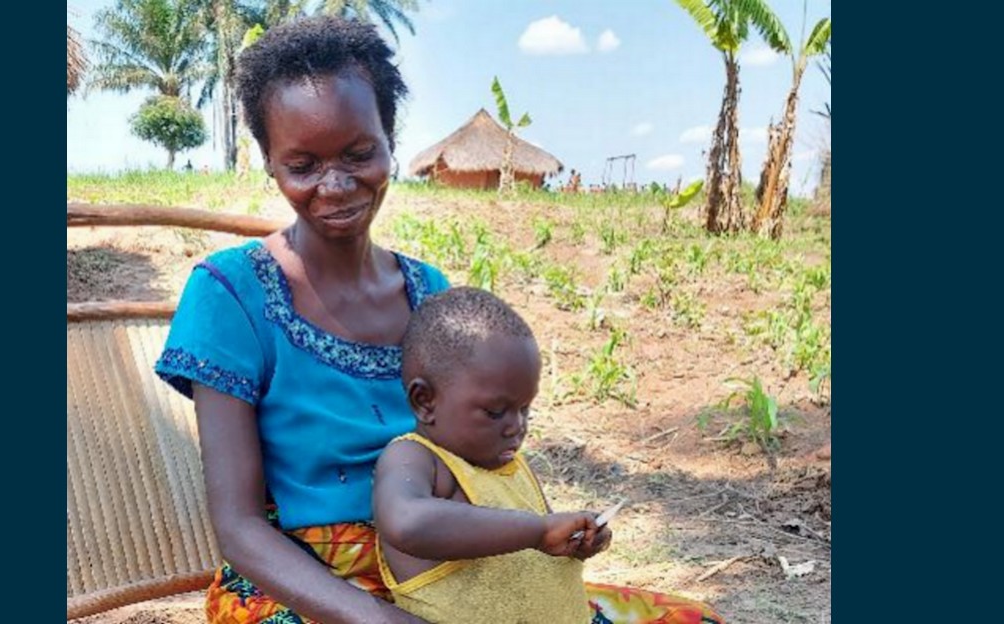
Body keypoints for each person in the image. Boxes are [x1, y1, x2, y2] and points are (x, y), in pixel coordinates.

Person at [155, 16, 449, 624]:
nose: (335, 185)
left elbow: (474, 458)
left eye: (358, 153)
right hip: (293, 586)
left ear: (390, 141)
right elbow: (237, 526)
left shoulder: (431, 296)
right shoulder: (230, 294)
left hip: (435, 563)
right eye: (303, 165)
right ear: (270, 162)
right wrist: (378, 619)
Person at [374, 287, 724, 623]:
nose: (516, 427)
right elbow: (407, 522)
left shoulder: (510, 466)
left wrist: (578, 542)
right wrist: (538, 531)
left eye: (525, 409)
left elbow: (536, 557)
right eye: (496, 413)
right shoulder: (416, 459)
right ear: (425, 401)